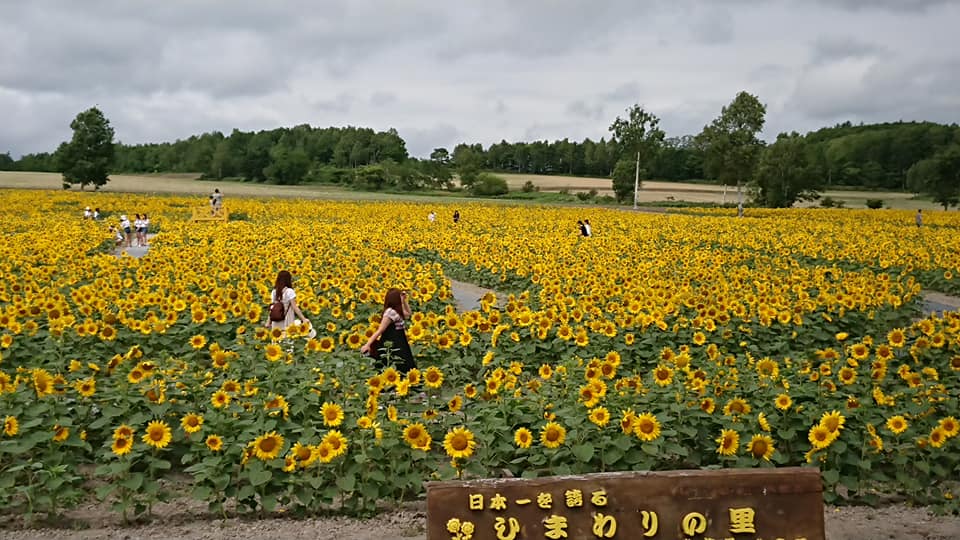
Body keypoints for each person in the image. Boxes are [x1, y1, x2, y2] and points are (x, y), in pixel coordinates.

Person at [361, 288, 415, 373]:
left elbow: (408, 314)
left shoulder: (397, 310)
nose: (401, 297)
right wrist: (368, 344)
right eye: (399, 296)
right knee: (396, 363)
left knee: (403, 362)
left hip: (400, 340)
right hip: (393, 341)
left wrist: (404, 301)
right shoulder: (390, 313)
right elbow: (380, 330)